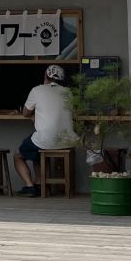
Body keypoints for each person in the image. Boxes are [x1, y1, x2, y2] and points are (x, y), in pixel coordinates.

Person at [14, 64, 76, 196]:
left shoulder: (37, 90)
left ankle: (30, 186)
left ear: (45, 76)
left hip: (45, 140)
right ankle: (41, 186)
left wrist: (34, 114)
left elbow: (25, 113)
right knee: (38, 152)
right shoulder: (69, 92)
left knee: (18, 154)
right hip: (69, 140)